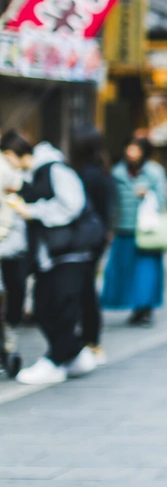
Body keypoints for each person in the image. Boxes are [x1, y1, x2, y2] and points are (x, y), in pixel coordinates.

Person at [2, 131, 105, 385]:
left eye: (6, 157)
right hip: (50, 255)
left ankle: (55, 361)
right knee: (44, 307)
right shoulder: (33, 174)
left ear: (14, 154)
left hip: (71, 251)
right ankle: (73, 356)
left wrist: (33, 211)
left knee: (60, 307)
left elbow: (72, 205)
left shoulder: (55, 169)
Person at [101, 138, 167, 327]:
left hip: (147, 231)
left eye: (136, 149)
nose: (131, 153)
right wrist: (110, 228)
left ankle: (145, 309)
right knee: (125, 271)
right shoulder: (117, 172)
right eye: (129, 148)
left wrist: (148, 194)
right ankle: (134, 307)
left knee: (147, 272)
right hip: (123, 228)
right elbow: (112, 202)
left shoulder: (155, 172)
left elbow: (163, 200)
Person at [68, 127, 113, 364]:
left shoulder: (87, 175)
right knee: (87, 290)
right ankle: (91, 341)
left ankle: (90, 341)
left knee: (84, 291)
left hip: (87, 240)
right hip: (97, 238)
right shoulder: (101, 171)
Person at [0, 147, 30, 355]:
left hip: (10, 237)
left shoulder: (9, 164)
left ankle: (9, 331)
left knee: (14, 288)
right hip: (8, 233)